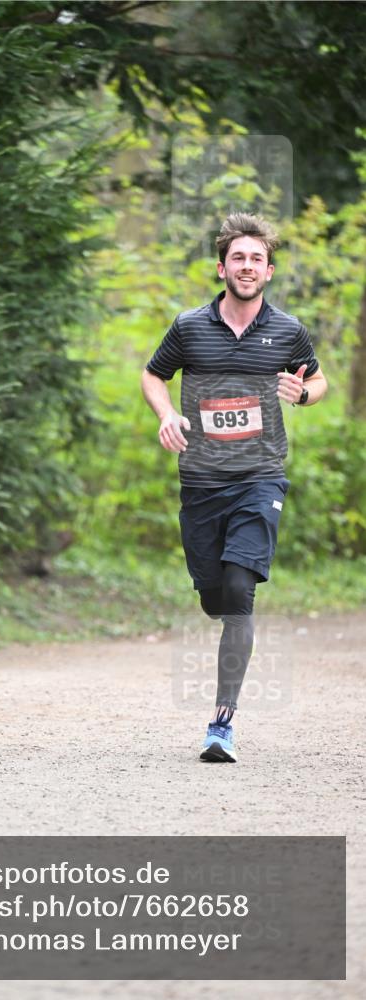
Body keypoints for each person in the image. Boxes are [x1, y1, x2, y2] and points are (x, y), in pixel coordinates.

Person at [142, 212, 327, 762]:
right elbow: (153, 375)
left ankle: (221, 723)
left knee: (241, 588)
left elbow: (317, 379)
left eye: (257, 259)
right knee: (215, 597)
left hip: (260, 477)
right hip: (202, 482)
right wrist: (166, 414)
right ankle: (220, 606)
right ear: (221, 267)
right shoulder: (189, 327)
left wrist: (304, 393)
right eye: (238, 257)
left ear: (269, 271)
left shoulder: (287, 330)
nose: (247, 266)